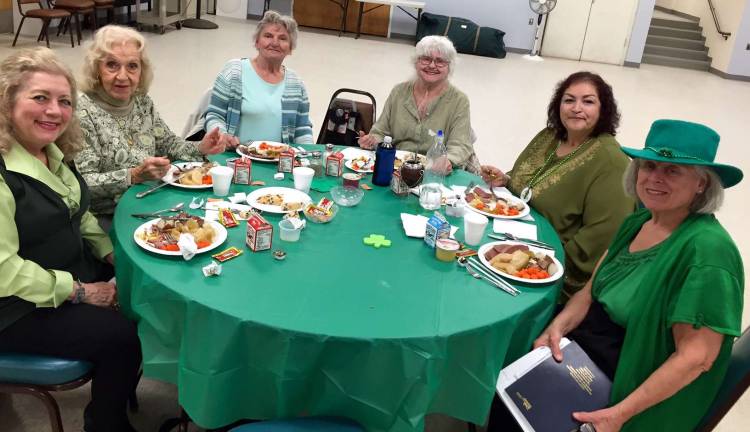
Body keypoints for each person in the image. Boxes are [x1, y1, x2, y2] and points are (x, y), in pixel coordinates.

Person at [489, 119, 745, 432]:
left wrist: (618, 414)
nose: (655, 178)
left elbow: (696, 357)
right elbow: (589, 292)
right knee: (504, 391)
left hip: (634, 381)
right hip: (588, 354)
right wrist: (556, 329)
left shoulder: (709, 253)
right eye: (649, 166)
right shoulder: (639, 221)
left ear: (702, 183)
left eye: (673, 171)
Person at [0, 47, 141, 432]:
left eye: (64, 101)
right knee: (122, 337)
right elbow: (5, 273)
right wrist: (82, 292)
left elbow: (79, 216)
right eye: (40, 98)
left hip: (61, 272)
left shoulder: (53, 151)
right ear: (7, 100)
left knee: (141, 293)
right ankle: (104, 422)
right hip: (15, 306)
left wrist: (112, 254)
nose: (54, 111)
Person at [480, 72, 635, 297]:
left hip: (548, 270)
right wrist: (506, 180)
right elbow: (532, 181)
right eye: (569, 100)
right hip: (509, 235)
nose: (576, 108)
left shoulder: (611, 162)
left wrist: (540, 264)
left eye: (588, 101)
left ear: (604, 109)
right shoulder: (550, 136)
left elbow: (600, 238)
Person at [74, 25, 227, 226]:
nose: (123, 76)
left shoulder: (142, 102)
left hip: (152, 200)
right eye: (112, 65)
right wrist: (133, 176)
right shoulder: (82, 113)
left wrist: (200, 147)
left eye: (132, 66)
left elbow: (168, 143)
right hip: (107, 217)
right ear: (96, 69)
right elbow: (81, 184)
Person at [358, 35, 478, 174]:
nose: (432, 65)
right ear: (415, 62)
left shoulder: (459, 101)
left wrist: (449, 160)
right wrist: (371, 140)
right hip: (396, 169)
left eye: (440, 61)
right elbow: (380, 131)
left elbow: (460, 145)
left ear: (449, 67)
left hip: (434, 172)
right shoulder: (399, 92)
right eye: (426, 59)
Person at [204, 10, 314, 147]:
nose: (274, 42)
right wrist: (222, 135)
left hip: (279, 162)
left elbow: (302, 129)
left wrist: (308, 156)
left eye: (282, 38)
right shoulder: (234, 72)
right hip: (235, 158)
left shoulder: (296, 84)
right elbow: (214, 115)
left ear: (290, 48)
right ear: (257, 42)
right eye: (268, 36)